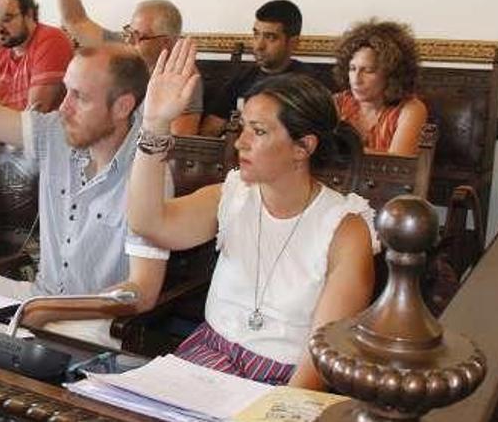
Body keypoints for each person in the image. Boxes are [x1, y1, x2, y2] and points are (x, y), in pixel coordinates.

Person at [0, 0, 170, 348]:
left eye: (80, 98)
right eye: (66, 91)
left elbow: (142, 291)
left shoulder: (149, 171)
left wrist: (53, 311)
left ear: (122, 107)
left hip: (94, 320)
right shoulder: (58, 131)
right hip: (38, 298)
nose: (64, 106)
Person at [127, 39, 378, 388]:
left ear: (303, 147)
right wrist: (155, 123)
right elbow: (147, 222)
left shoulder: (345, 229)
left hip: (285, 381)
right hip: (207, 359)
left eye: (258, 131)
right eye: (243, 126)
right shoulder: (233, 194)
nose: (240, 142)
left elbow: (319, 362)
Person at [54, 0, 202, 135]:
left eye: (138, 36)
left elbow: (181, 142)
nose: (130, 41)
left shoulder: (183, 77)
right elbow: (75, 21)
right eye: (128, 32)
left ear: (166, 43)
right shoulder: (123, 50)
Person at [200, 0, 313, 137]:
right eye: (256, 34)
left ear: (293, 43)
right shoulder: (242, 78)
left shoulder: (308, 84)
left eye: (270, 37)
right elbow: (209, 130)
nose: (258, 45)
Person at [333, 19, 428, 155]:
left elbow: (398, 163)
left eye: (368, 71)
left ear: (391, 73)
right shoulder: (337, 103)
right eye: (352, 68)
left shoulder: (411, 109)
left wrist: (342, 152)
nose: (356, 79)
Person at [0, 0, 73, 112]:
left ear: (29, 14)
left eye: (6, 19)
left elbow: (33, 119)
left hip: (36, 131)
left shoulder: (52, 40)